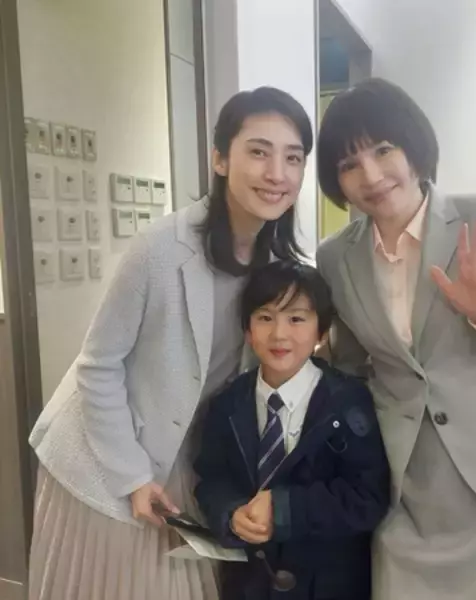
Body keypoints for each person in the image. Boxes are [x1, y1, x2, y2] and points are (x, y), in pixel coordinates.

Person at [27, 86, 313, 600]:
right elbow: (98, 366)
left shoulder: (279, 267)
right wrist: (132, 476)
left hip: (184, 460)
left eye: (293, 158)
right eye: (258, 151)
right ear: (220, 159)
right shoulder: (159, 248)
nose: (277, 173)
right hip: (108, 456)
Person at [315, 78, 476, 600]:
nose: (371, 175)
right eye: (349, 164)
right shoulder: (335, 256)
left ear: (414, 145)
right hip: (408, 492)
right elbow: (351, 364)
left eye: (383, 149)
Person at [193, 260, 390, 600]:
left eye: (296, 319)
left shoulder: (347, 402)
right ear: (247, 330)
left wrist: (285, 509)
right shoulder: (228, 404)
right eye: (265, 318)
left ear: (321, 333)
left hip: (329, 585)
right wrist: (231, 514)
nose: (279, 334)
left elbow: (367, 497)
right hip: (250, 585)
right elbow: (212, 479)